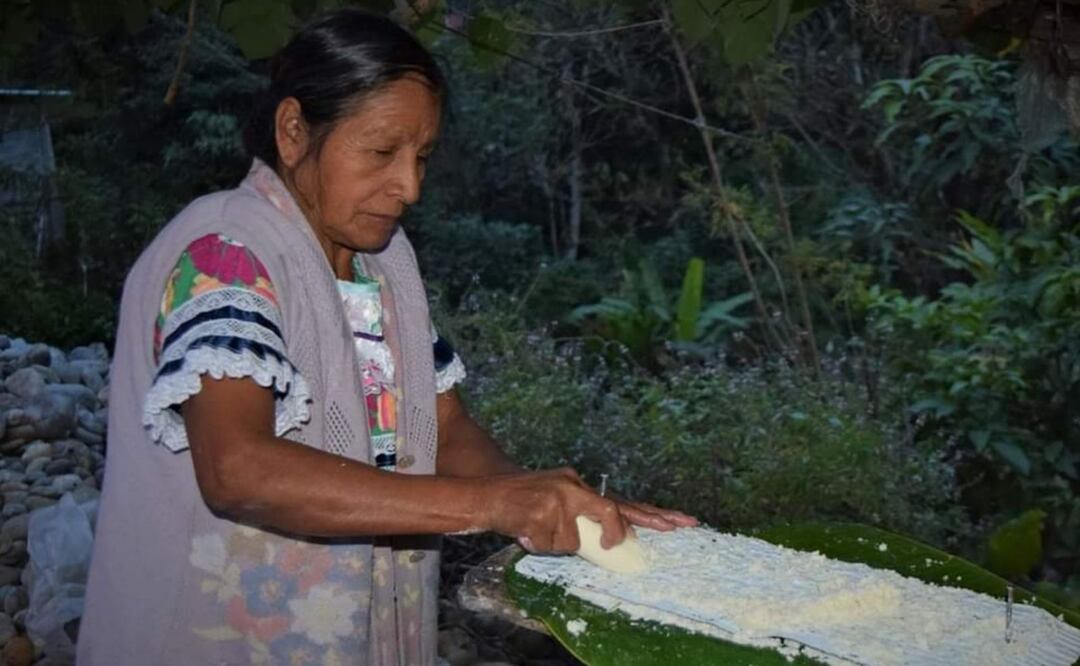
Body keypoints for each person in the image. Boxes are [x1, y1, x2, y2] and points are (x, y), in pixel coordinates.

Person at [78, 9, 695, 665]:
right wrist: (492, 503)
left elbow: (445, 428)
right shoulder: (224, 252)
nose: (409, 186)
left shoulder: (384, 266)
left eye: (422, 156)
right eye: (381, 152)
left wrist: (553, 505)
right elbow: (238, 470)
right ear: (293, 131)